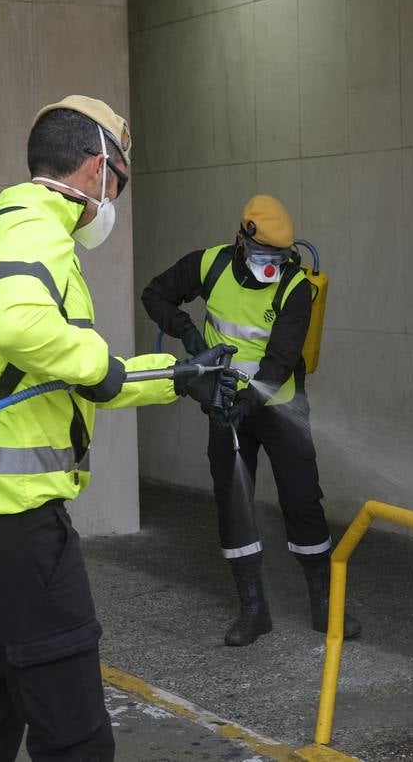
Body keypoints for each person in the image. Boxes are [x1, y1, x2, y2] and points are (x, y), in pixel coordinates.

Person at [0, 95, 237, 762]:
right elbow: (21, 328)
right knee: (76, 740)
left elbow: (57, 376)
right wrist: (108, 372)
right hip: (13, 538)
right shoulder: (33, 230)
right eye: (118, 179)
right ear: (94, 168)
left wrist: (177, 375)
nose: (114, 196)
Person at [141, 195, 362, 647]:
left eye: (278, 258)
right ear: (241, 239)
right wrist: (185, 329)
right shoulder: (210, 265)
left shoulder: (296, 287)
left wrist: (247, 403)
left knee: (302, 498)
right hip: (225, 405)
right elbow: (155, 293)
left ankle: (325, 604)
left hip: (278, 405)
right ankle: (254, 609)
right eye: (262, 254)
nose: (270, 264)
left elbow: (280, 361)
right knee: (233, 498)